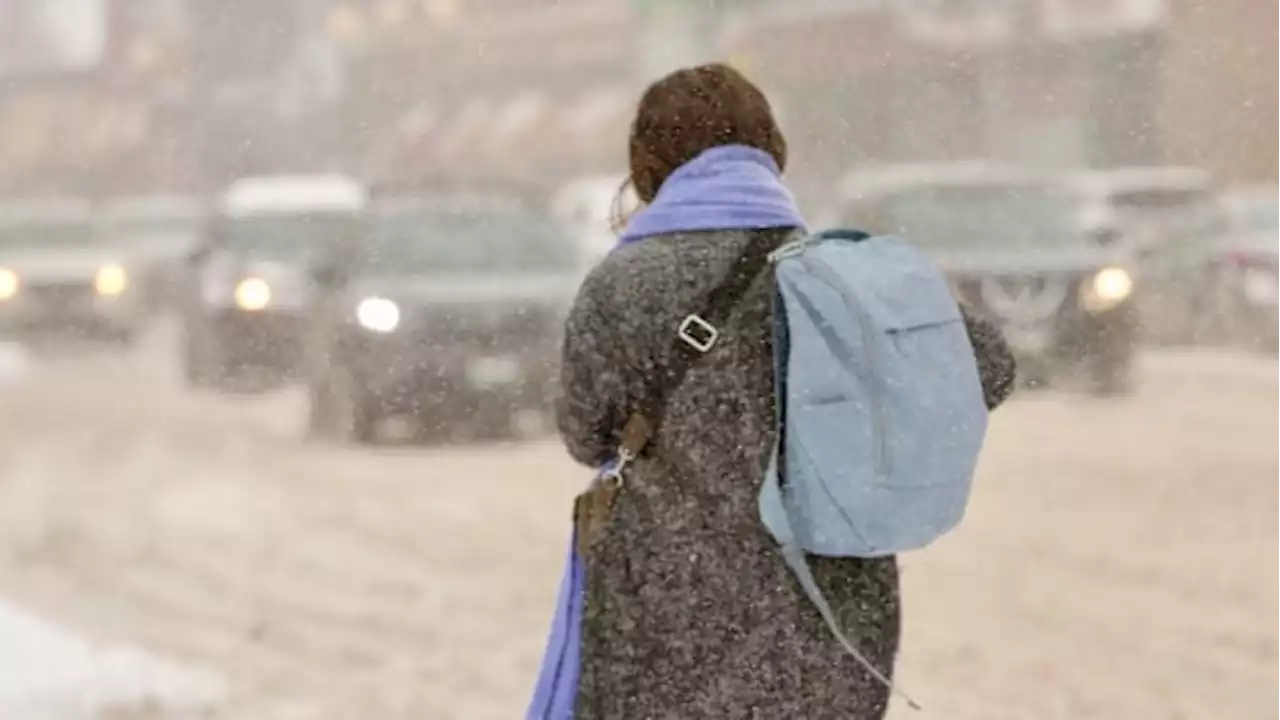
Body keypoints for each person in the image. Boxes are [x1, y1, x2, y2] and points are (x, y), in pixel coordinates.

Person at [555, 63, 1016, 719]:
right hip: (829, 616)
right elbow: (988, 367)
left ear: (649, 163)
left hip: (665, 621)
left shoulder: (620, 285)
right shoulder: (842, 280)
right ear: (771, 150)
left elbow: (585, 432)